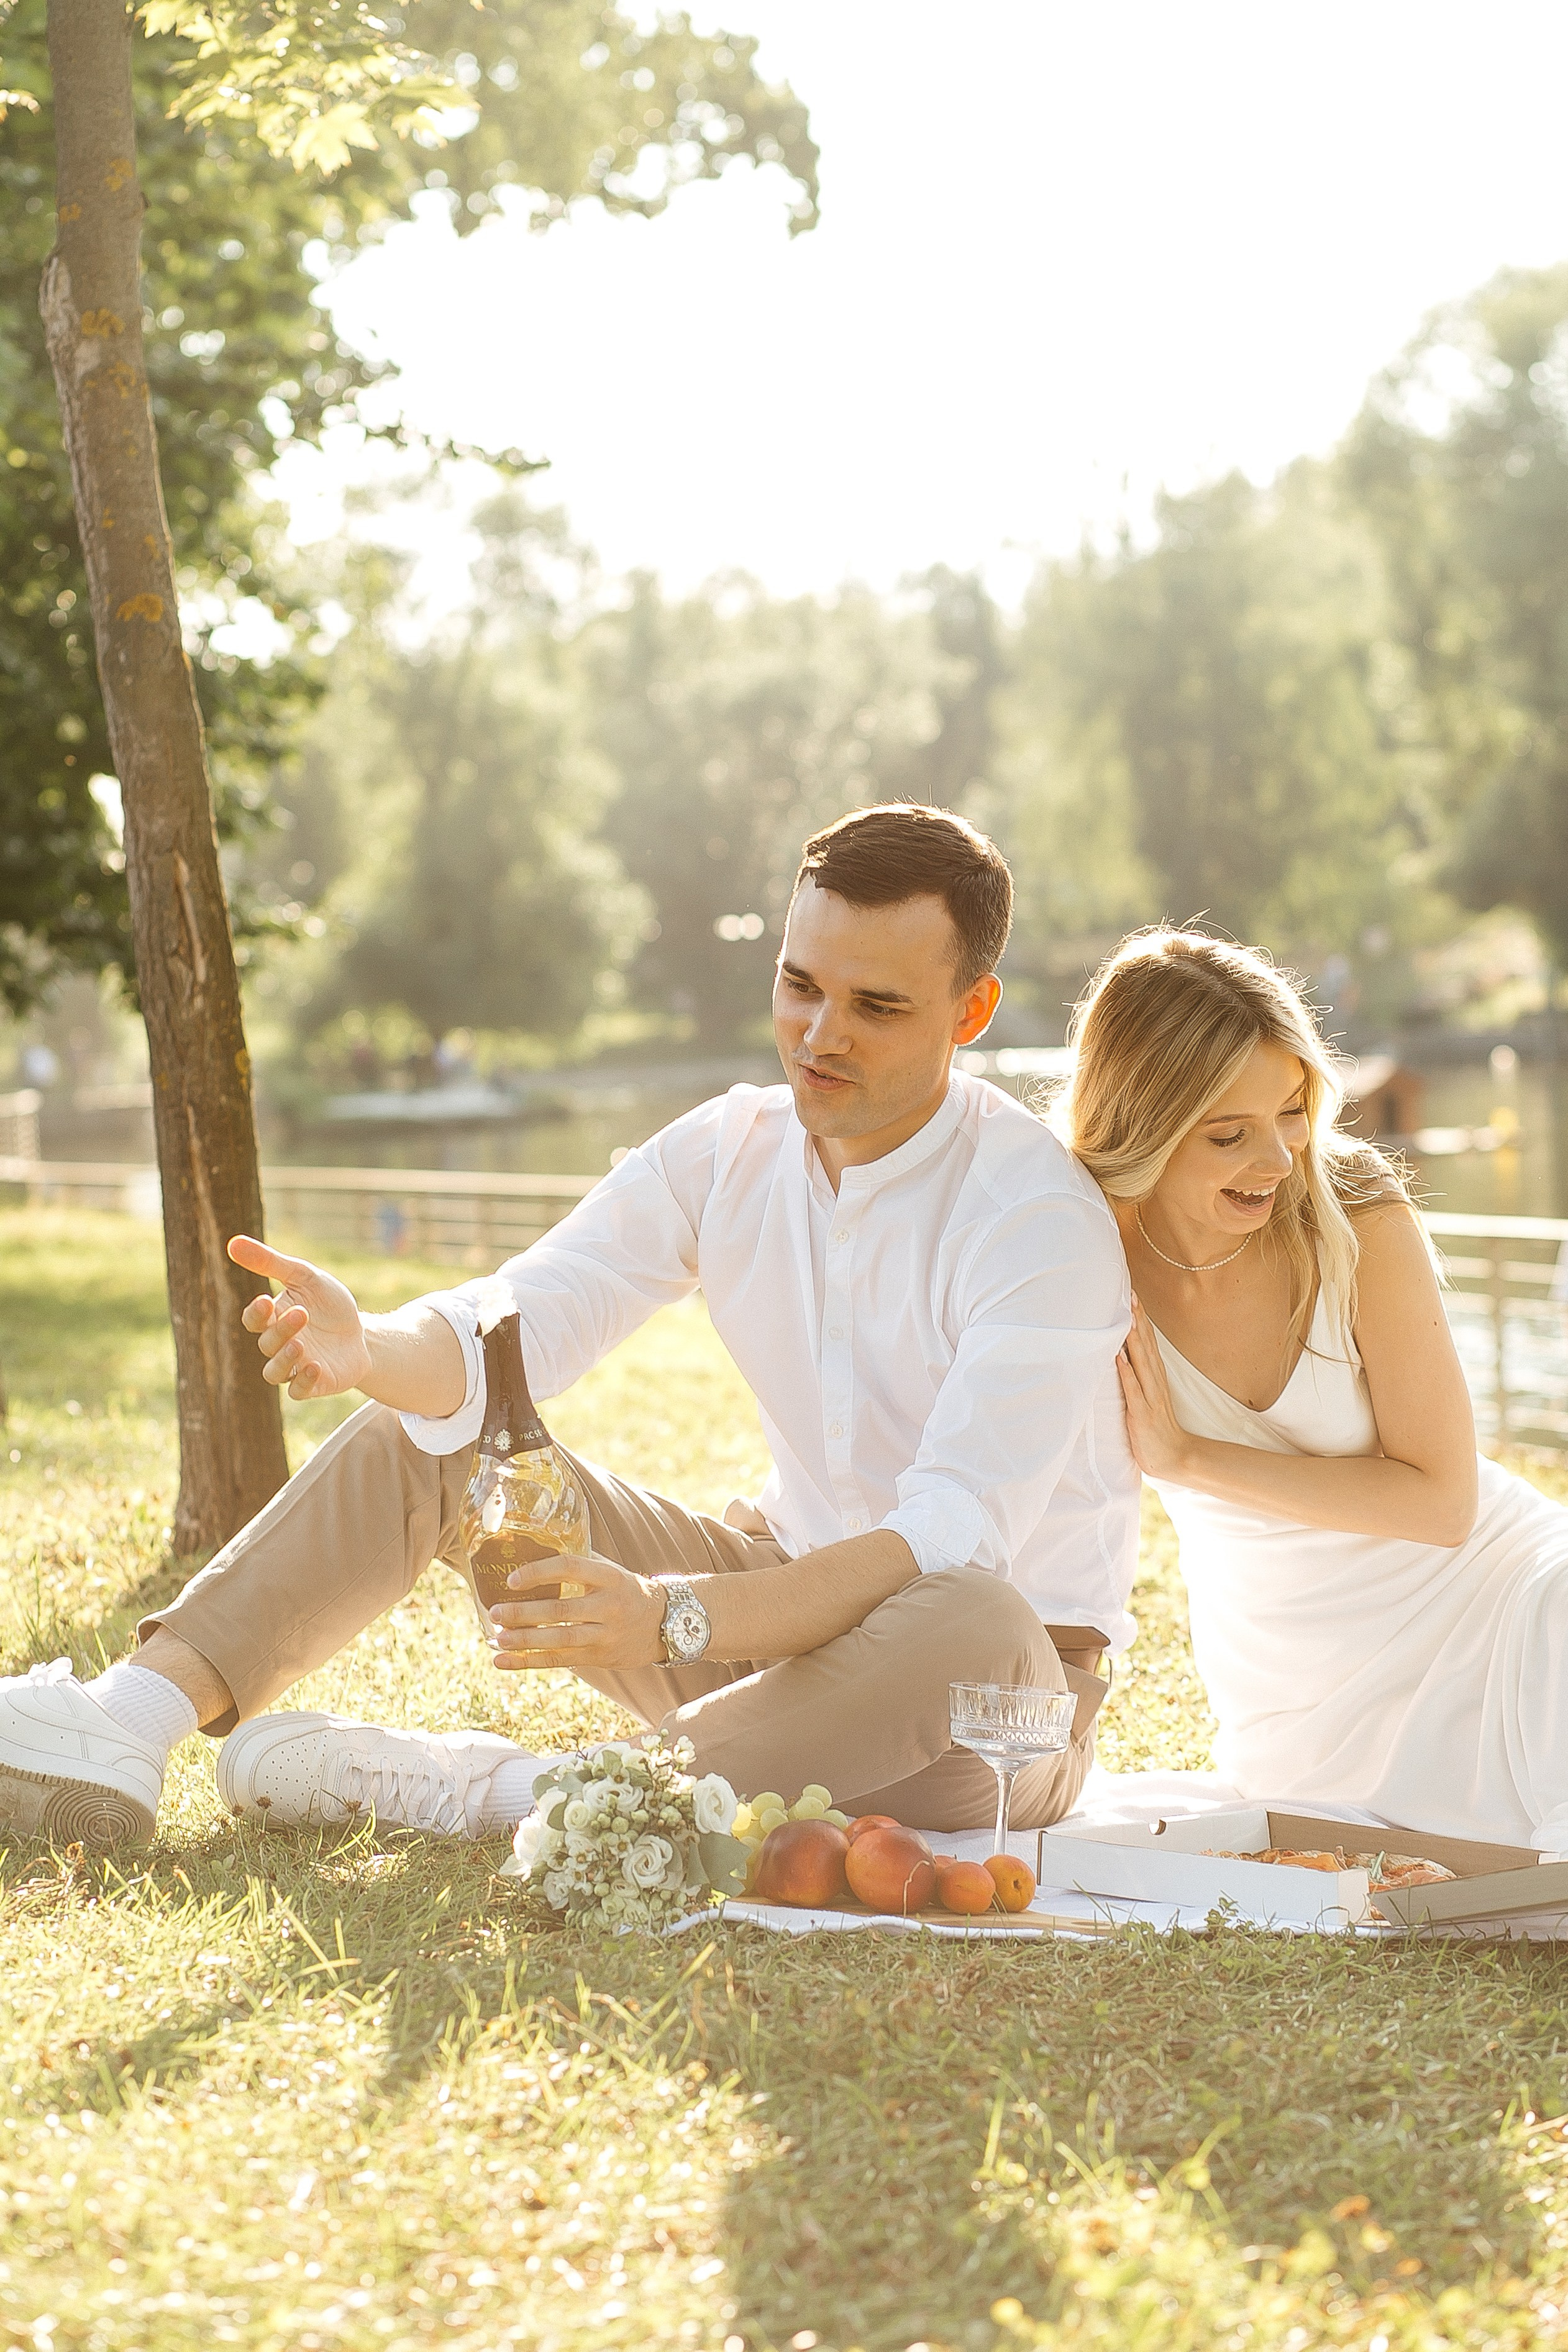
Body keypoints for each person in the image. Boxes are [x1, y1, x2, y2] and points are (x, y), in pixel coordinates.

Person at [0, 805, 1137, 1849]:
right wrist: (374, 1352)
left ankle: (505, 1795)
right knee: (437, 1439)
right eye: (800, 986)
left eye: (876, 1006)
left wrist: (674, 1616)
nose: (818, 1035)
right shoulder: (726, 1148)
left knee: (974, 1616)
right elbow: (522, 1316)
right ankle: (125, 1724)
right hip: (758, 1618)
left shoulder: (1037, 1218)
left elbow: (947, 1538)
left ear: (972, 1011)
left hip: (989, 1713)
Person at [1059, 926, 1568, 1856]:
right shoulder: (1077, 1245)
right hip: (1302, 1707)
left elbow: (1446, 1502)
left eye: (1293, 1111)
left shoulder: (1356, 1212)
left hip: (1500, 1598)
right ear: (1143, 1123)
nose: (1280, 1160)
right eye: (1230, 1134)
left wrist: (1193, 1457)